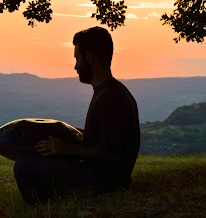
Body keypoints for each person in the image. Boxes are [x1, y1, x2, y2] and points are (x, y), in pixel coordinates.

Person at [14, 26, 140, 203]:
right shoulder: (109, 91)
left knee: (23, 165)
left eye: (77, 59)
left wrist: (65, 149)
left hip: (103, 181)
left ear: (89, 57)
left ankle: (46, 206)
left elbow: (111, 152)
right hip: (102, 175)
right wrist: (67, 133)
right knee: (36, 152)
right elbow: (103, 137)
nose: (75, 66)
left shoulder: (110, 97)